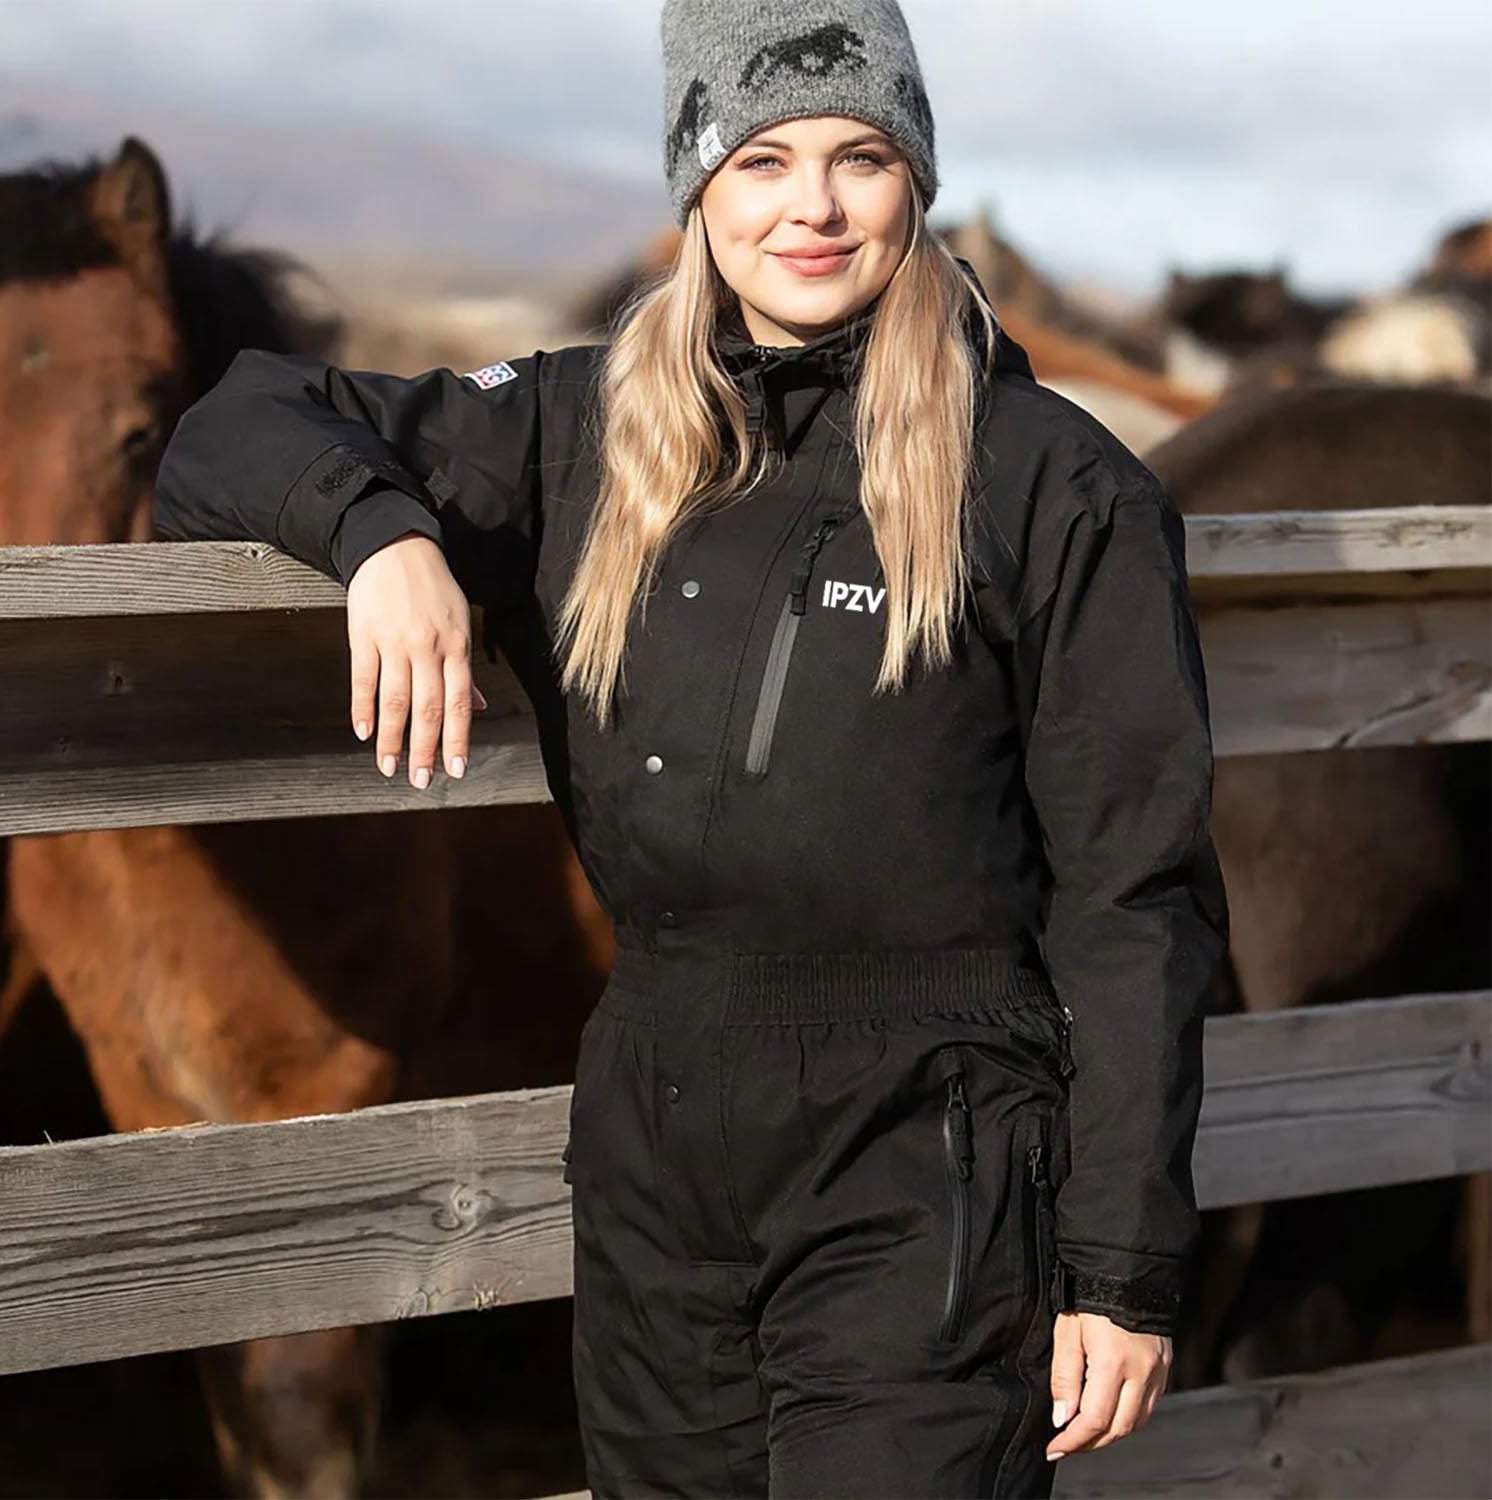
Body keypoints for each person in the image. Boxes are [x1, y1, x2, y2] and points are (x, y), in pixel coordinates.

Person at [154, 1, 1230, 1493]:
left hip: (929, 1152)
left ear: (917, 180)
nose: (813, 207)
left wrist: (1121, 1267)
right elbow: (234, 423)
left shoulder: (1053, 486)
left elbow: (1137, 892)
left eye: (861, 158)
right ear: (698, 189)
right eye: (762, 161)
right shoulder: (583, 430)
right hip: (656, 1142)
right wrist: (381, 536)